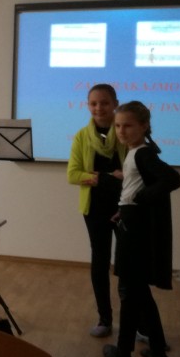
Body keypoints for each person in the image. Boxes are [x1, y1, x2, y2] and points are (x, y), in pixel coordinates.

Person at [103, 101, 180, 357]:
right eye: (117, 126)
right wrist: (124, 209)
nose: (121, 131)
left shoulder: (143, 154)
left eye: (128, 125)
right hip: (130, 220)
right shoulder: (134, 152)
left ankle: (123, 351)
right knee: (139, 291)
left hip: (135, 230)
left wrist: (140, 199)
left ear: (144, 126)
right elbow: (134, 187)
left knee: (129, 290)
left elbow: (173, 179)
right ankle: (158, 350)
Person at [67, 84, 126, 338]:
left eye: (104, 103)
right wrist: (104, 178)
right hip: (95, 208)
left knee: (127, 265)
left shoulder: (125, 131)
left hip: (126, 207)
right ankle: (105, 318)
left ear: (115, 104)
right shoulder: (82, 136)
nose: (98, 108)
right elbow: (73, 174)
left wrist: (106, 176)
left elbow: (135, 171)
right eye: (93, 103)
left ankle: (136, 322)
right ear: (88, 105)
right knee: (100, 263)